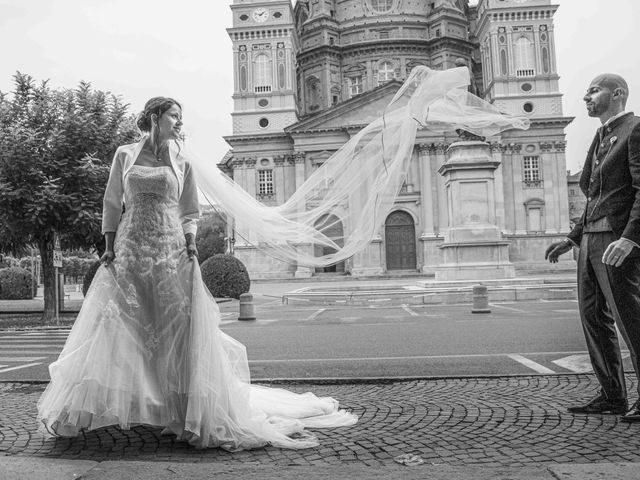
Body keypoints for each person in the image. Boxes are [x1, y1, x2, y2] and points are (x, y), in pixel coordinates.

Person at [36, 97, 358, 451]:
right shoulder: (125, 154)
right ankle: (87, 408)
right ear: (155, 117)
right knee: (113, 324)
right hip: (130, 248)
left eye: (180, 117)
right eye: (174, 116)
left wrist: (191, 245)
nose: (179, 122)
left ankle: (183, 411)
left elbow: (189, 211)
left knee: (177, 329)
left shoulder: (183, 159)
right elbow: (112, 202)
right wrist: (109, 245)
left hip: (171, 249)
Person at [545, 74, 640, 422]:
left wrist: (631, 237)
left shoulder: (635, 130)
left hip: (616, 240)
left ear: (617, 94)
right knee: (593, 318)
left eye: (593, 91)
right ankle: (613, 395)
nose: (586, 97)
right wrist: (573, 237)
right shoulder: (600, 136)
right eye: (586, 92)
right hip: (590, 240)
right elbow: (594, 195)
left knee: (631, 320)